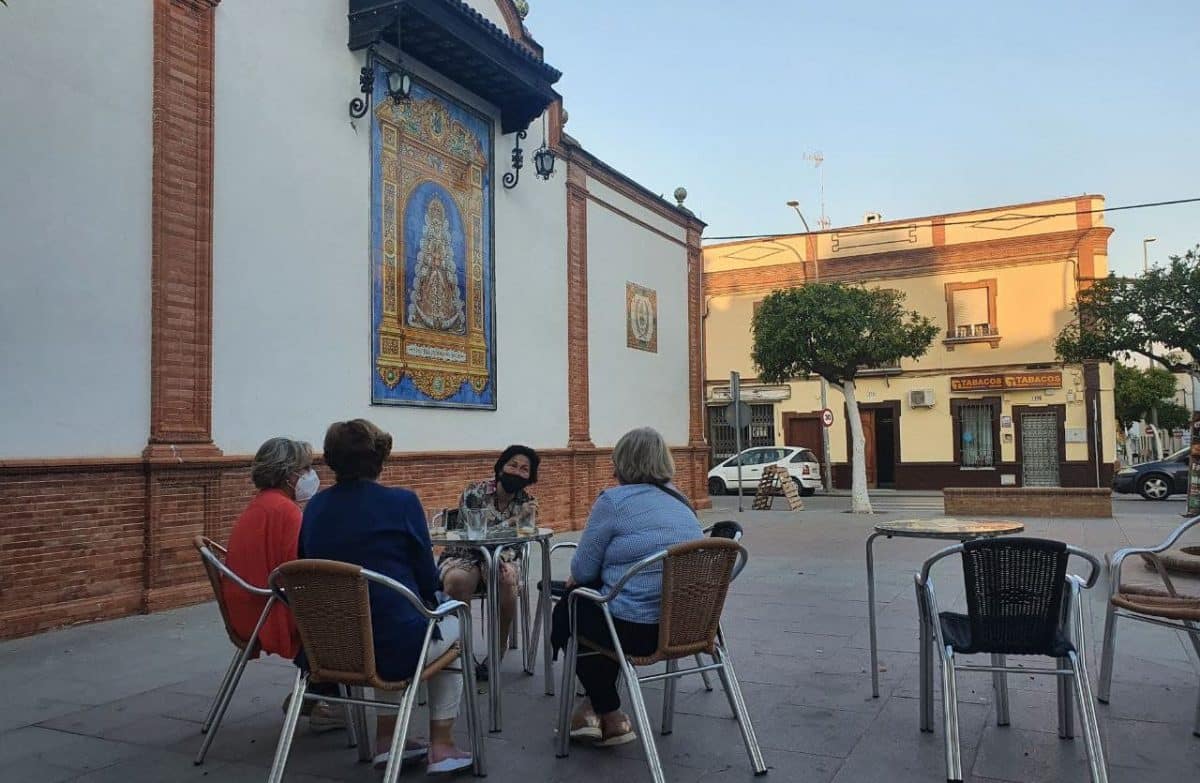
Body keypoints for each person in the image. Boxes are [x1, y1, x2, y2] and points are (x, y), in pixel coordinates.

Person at [299, 419, 472, 774]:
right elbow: (427, 581)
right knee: (449, 622)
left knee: (384, 620)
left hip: (331, 647)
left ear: (331, 460)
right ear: (379, 458)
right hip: (394, 646)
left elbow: (306, 568)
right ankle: (441, 745)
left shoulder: (314, 508)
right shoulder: (402, 502)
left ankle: (386, 741)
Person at [554, 427, 702, 746]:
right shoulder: (682, 502)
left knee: (571, 606)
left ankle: (610, 713)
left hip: (636, 630)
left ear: (621, 462)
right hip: (686, 626)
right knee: (593, 606)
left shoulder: (614, 501)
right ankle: (594, 709)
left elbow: (581, 568)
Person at [223, 437, 343, 731]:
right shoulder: (286, 511)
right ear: (290, 475)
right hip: (267, 612)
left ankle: (313, 694)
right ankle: (324, 698)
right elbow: (300, 572)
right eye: (306, 468)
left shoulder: (263, 504)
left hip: (248, 606)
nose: (311, 475)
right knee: (345, 617)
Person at [438, 445, 540, 681]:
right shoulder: (476, 491)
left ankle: (497, 651)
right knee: (456, 581)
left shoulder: (528, 501)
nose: (517, 471)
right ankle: (461, 651)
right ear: (501, 466)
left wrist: (526, 524)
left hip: (502, 556)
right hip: (464, 553)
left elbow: (523, 537)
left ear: (530, 477)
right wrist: (515, 519)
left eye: (524, 469)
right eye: (512, 464)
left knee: (507, 580)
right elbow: (476, 534)